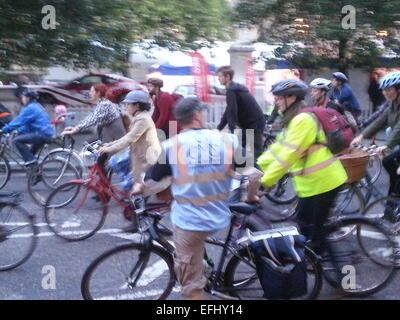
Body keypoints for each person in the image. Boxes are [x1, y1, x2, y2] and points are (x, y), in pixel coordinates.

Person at [146, 97, 261, 300]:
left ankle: (199, 276)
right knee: (197, 247)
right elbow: (255, 175)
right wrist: (251, 197)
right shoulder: (227, 140)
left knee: (191, 286)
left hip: (190, 222)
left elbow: (150, 183)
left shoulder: (171, 145)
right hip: (219, 215)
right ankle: (204, 268)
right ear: (198, 116)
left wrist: (143, 190)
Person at [257, 79, 348, 258]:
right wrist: (258, 167)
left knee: (314, 231)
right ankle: (315, 258)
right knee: (304, 224)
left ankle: (337, 273)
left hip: (325, 183)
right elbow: (278, 149)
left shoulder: (303, 120)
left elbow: (287, 157)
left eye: (278, 98)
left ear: (291, 98)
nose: (276, 101)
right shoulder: (292, 119)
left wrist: (265, 182)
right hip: (310, 185)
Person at [351, 72, 400, 221]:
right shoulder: (392, 104)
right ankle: (392, 208)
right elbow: (380, 120)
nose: (385, 93)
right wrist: (362, 136)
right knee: (388, 164)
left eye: (389, 89)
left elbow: (399, 128)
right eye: (384, 90)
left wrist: (386, 145)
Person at [98, 90, 161, 198]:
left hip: (145, 157)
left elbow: (130, 139)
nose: (126, 106)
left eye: (128, 104)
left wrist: (110, 148)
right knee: (115, 163)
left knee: (130, 184)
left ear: (137, 105)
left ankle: (139, 205)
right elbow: (128, 136)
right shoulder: (138, 117)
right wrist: (110, 144)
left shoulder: (143, 119)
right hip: (138, 153)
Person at [216, 66, 265, 163]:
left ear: (228, 77)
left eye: (220, 76)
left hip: (254, 123)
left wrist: (232, 130)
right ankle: (241, 171)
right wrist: (219, 128)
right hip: (249, 123)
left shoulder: (232, 90)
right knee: (238, 148)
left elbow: (232, 112)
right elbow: (228, 111)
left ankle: (261, 174)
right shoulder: (234, 89)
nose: (218, 78)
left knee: (256, 151)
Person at [0, 90, 54, 166]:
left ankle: (32, 165)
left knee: (17, 141)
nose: (22, 99)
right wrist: (19, 131)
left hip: (40, 134)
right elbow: (28, 124)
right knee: (30, 154)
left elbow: (18, 121)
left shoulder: (30, 108)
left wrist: (3, 130)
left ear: (28, 98)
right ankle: (36, 174)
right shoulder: (36, 106)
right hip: (46, 133)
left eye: (24, 97)